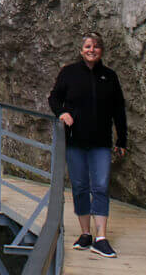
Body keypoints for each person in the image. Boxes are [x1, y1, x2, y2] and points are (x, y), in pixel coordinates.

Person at [48, 33, 128, 259]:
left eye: (96, 46)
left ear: (101, 50)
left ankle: (101, 237)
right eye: (88, 46)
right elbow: (54, 98)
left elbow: (119, 110)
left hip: (101, 142)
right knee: (81, 186)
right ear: (81, 49)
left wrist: (122, 139)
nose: (92, 50)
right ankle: (85, 234)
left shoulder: (109, 76)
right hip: (75, 141)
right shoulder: (69, 73)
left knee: (101, 185)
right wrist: (62, 113)